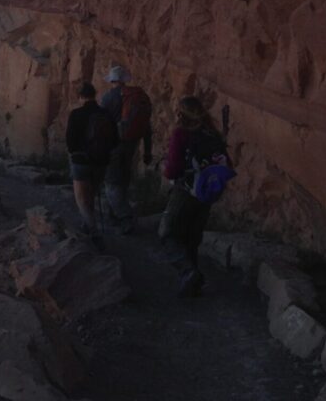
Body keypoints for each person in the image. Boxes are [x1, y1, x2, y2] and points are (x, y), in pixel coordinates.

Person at [160, 96, 228, 297]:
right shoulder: (212, 134)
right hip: (207, 191)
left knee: (168, 232)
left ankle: (188, 272)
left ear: (181, 114)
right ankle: (192, 281)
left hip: (186, 190)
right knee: (192, 236)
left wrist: (165, 170)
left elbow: (173, 169)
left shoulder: (182, 134)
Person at [99, 65, 152, 234]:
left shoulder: (108, 97)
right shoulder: (139, 97)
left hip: (113, 145)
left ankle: (125, 218)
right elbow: (147, 127)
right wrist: (148, 151)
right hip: (132, 144)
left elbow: (100, 124)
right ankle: (113, 215)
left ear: (113, 80)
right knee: (122, 178)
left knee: (111, 181)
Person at [66, 82, 118, 244]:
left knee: (81, 199)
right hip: (101, 161)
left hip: (81, 161)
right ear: (95, 95)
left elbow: (70, 141)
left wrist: (76, 153)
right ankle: (86, 226)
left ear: (80, 97)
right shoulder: (106, 114)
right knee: (91, 195)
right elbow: (115, 140)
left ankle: (94, 232)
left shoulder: (76, 114)